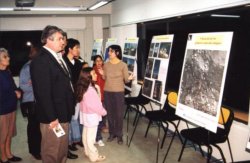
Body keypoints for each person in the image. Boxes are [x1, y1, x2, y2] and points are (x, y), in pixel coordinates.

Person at [30, 25, 75, 163]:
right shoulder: (41, 60)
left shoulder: (56, 56)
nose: (63, 41)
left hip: (62, 111)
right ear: (49, 40)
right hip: (53, 116)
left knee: (61, 149)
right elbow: (42, 93)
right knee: (52, 151)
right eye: (60, 38)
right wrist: (52, 118)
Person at [100, 45, 134, 145]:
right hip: (107, 92)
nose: (109, 53)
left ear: (117, 53)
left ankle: (119, 135)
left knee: (119, 114)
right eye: (109, 51)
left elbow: (126, 79)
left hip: (119, 92)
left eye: (111, 51)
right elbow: (104, 77)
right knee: (110, 114)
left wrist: (130, 78)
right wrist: (102, 73)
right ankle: (112, 133)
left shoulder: (123, 65)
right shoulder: (106, 64)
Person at [76, 67, 107, 162]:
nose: (96, 75)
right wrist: (104, 112)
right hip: (92, 117)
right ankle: (94, 156)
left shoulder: (83, 88)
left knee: (85, 134)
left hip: (85, 115)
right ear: (88, 77)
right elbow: (96, 106)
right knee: (91, 138)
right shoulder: (90, 91)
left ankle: (87, 152)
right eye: (94, 74)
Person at [19, 44, 41, 160]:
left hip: (38, 101)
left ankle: (38, 148)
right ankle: (34, 150)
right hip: (30, 102)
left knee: (38, 127)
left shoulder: (37, 66)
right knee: (33, 127)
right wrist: (35, 85)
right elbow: (22, 86)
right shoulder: (27, 68)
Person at [0, 48, 22, 163]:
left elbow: (14, 87)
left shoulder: (7, 72)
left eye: (7, 56)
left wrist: (18, 91)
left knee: (9, 134)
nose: (8, 58)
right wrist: (13, 93)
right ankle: (3, 158)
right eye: (5, 57)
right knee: (2, 135)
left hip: (12, 108)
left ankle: (9, 154)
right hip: (2, 110)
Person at [63, 38, 83, 157]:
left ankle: (76, 139)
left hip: (77, 95)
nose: (78, 50)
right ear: (70, 49)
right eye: (77, 48)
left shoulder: (79, 63)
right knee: (68, 120)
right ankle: (68, 143)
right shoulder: (63, 62)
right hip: (67, 96)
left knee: (75, 118)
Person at [93, 55, 107, 147]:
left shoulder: (105, 70)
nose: (99, 63)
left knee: (103, 117)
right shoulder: (92, 71)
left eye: (100, 61)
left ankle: (98, 135)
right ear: (94, 62)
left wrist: (103, 75)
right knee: (97, 120)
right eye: (97, 61)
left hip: (104, 97)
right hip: (96, 99)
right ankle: (98, 138)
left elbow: (108, 81)